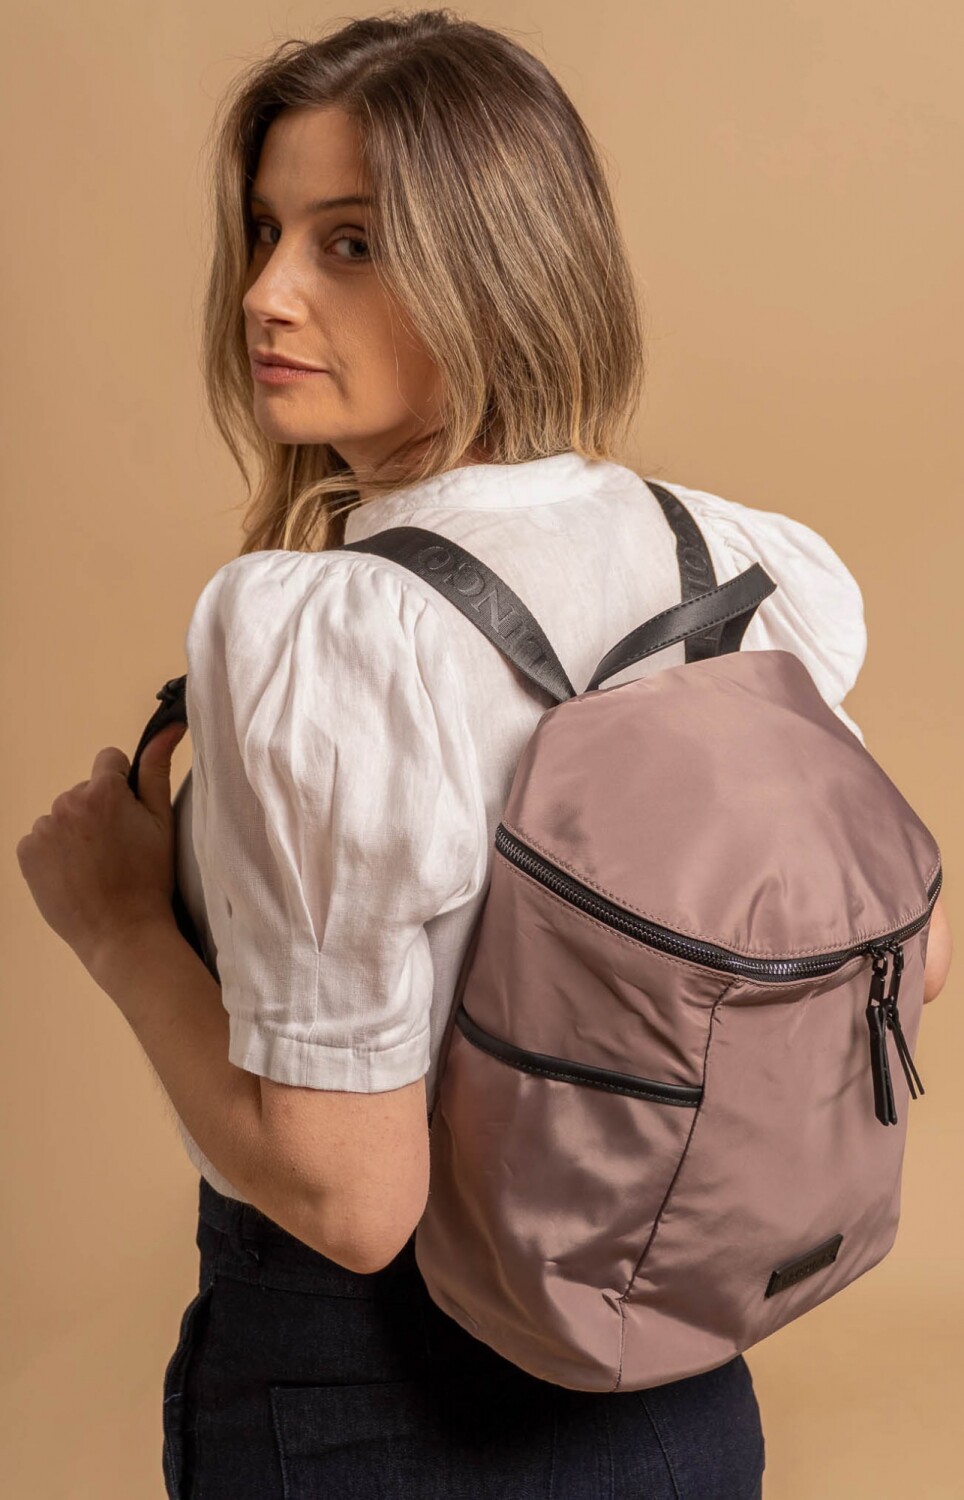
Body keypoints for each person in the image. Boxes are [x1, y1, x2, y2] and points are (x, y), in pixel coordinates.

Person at [155, 11, 952, 1499]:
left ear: (498, 262)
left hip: (382, 1411)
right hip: (683, 1395)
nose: (265, 292)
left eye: (349, 243)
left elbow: (351, 1204)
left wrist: (113, 919)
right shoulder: (724, 558)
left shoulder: (330, 627)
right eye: (265, 230)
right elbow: (907, 951)